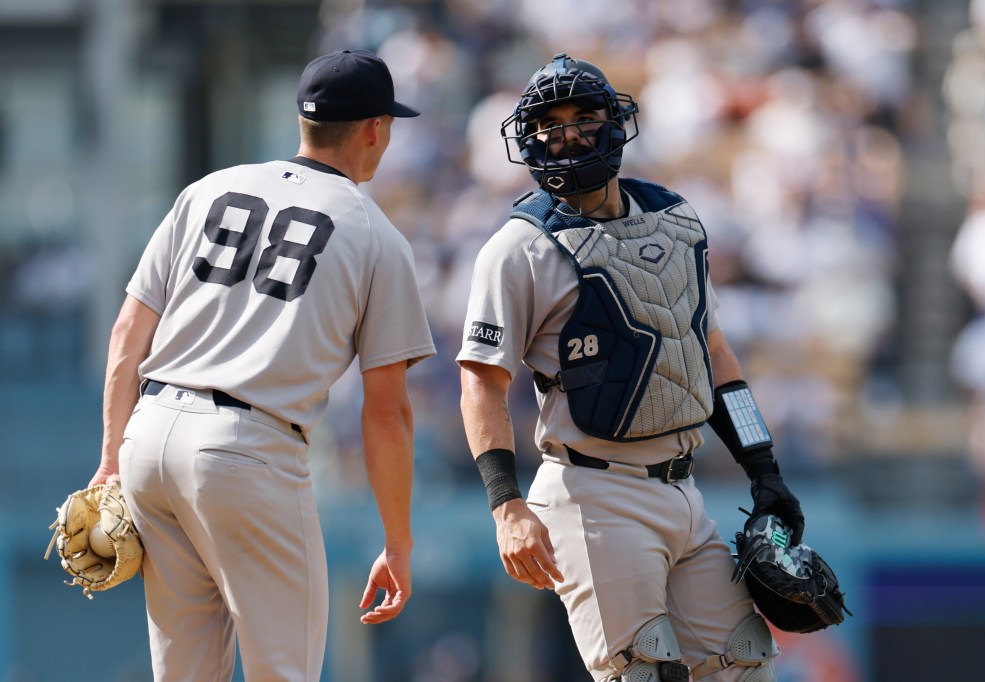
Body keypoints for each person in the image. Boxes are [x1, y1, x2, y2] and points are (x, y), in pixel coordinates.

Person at [87, 49, 436, 681]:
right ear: (374, 129)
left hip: (150, 435)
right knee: (285, 671)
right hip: (246, 450)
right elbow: (387, 413)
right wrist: (397, 541)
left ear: (304, 121)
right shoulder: (375, 233)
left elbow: (125, 336)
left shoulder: (207, 190)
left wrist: (112, 459)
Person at [458, 53, 805, 681]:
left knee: (744, 666)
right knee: (640, 674)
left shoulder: (676, 220)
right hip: (593, 494)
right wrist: (506, 505)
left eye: (583, 117)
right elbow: (481, 380)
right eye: (548, 124)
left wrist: (765, 471)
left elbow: (713, 354)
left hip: (684, 489)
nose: (567, 134)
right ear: (527, 140)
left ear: (615, 122)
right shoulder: (517, 248)